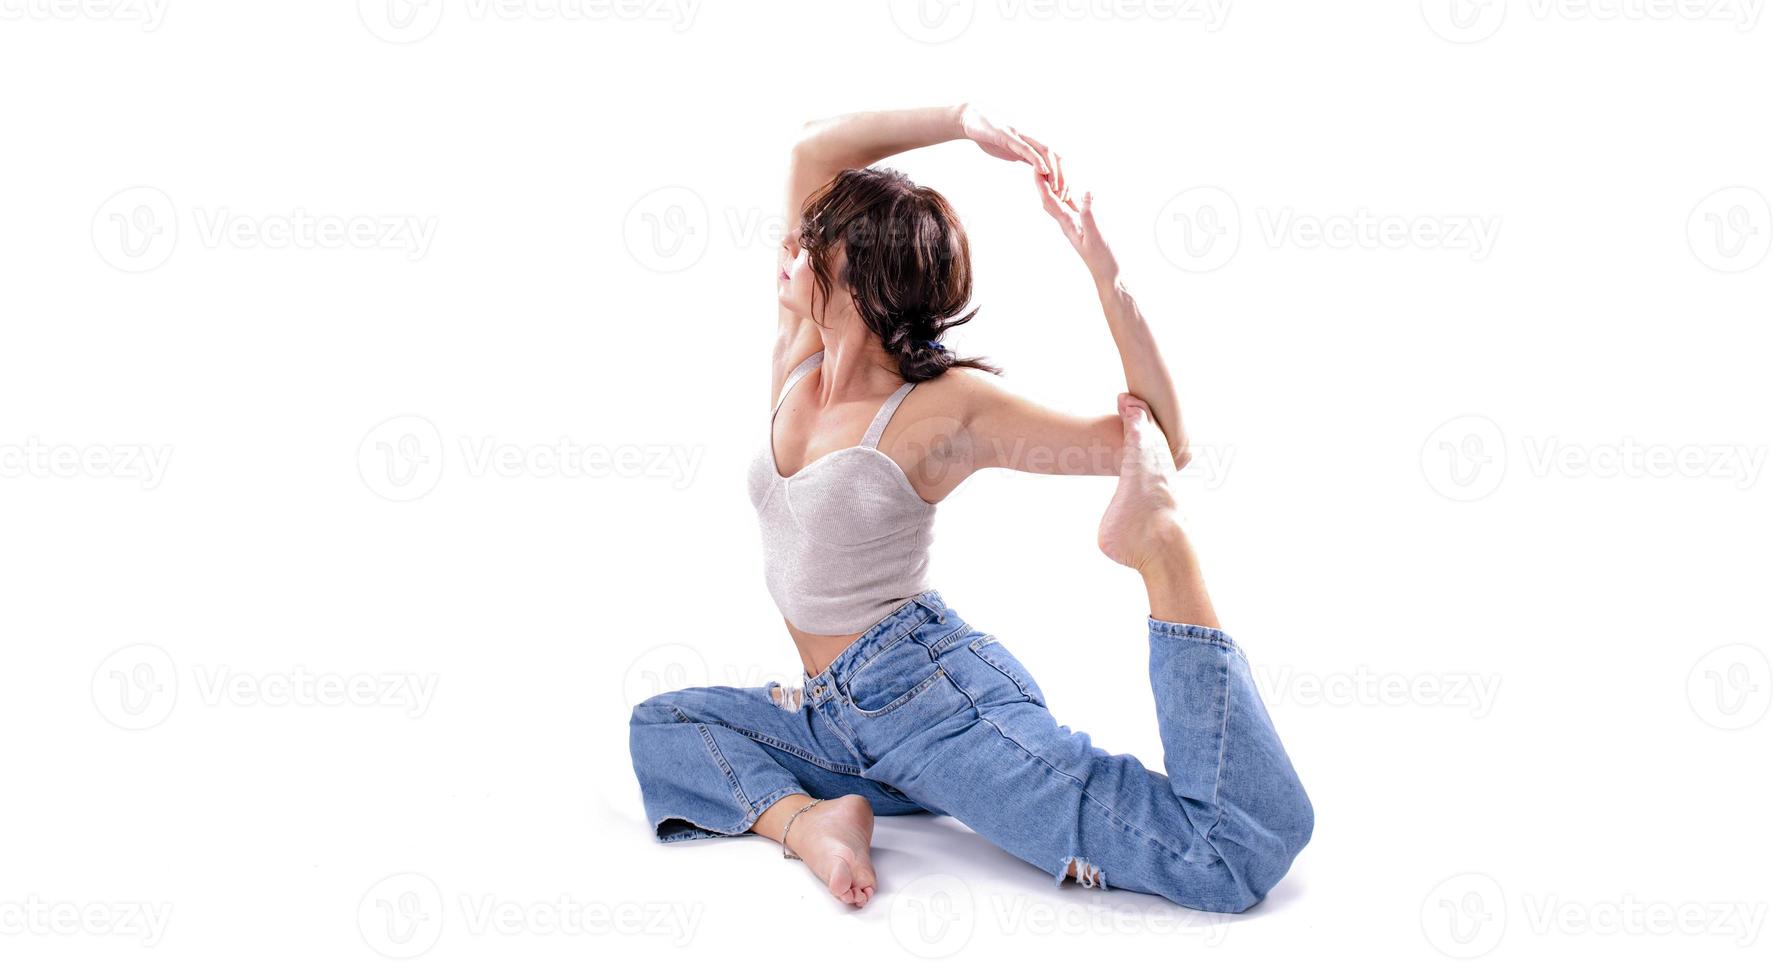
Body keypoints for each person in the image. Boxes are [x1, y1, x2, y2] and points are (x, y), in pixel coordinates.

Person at [629, 103, 1313, 913]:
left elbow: (1160, 439)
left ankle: (1161, 549)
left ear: (856, 272)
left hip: (930, 707)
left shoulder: (942, 413)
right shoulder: (799, 349)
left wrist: (1105, 275)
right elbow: (815, 149)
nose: (788, 245)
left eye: (812, 239)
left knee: (1219, 860)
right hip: (831, 715)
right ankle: (812, 820)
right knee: (664, 725)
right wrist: (961, 122)